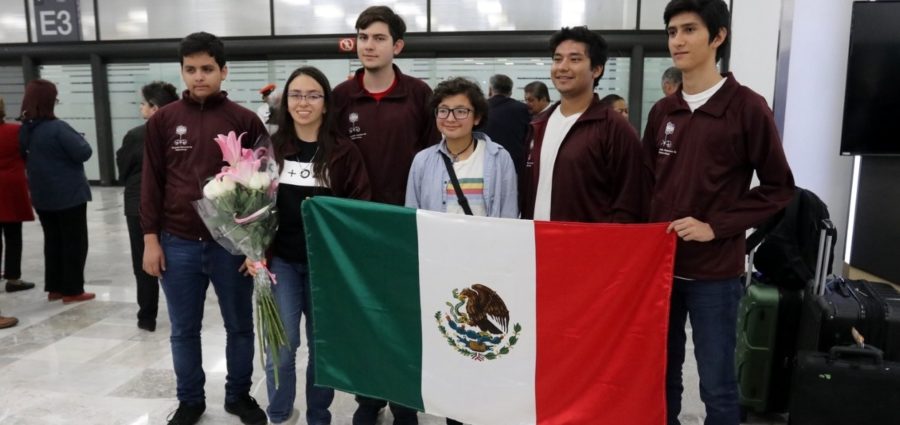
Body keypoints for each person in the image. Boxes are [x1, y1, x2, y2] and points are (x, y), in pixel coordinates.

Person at [643, 1, 795, 424]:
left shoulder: (747, 107)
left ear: (718, 37)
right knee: (661, 378)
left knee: (717, 385)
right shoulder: (663, 111)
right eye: (672, 31)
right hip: (661, 271)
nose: (677, 41)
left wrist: (717, 226)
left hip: (715, 275)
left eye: (689, 30)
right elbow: (646, 185)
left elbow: (779, 186)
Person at [141, 32, 269, 425]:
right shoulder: (164, 120)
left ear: (223, 71)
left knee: (240, 327)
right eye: (191, 69)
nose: (199, 77)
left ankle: (239, 396)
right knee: (183, 330)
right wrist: (150, 241)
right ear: (182, 71)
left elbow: (262, 184)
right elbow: (152, 182)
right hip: (176, 242)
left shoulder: (244, 119)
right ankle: (190, 400)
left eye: (207, 69)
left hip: (231, 245)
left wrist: (256, 246)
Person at [332, 6, 440, 424]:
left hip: (406, 227)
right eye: (362, 37)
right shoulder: (342, 97)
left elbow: (434, 159)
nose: (369, 45)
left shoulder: (418, 94)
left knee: (405, 317)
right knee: (364, 316)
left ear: (397, 45)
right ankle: (369, 397)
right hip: (354, 228)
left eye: (378, 38)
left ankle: (404, 399)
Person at [247, 66, 371, 425]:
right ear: (286, 101)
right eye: (296, 95)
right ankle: (280, 413)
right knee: (282, 350)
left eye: (313, 95)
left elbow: (359, 205)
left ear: (326, 103)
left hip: (326, 268)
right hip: (281, 262)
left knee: (322, 350)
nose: (304, 102)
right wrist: (253, 251)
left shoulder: (343, 152)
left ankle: (319, 416)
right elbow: (251, 203)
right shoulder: (271, 149)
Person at [522, 26, 645, 224]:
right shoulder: (539, 125)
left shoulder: (614, 128)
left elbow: (630, 202)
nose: (562, 67)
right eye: (557, 58)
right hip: (538, 246)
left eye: (575, 59)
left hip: (588, 249)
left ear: (596, 69)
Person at [18, 79, 94, 304]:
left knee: (52, 240)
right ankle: (73, 289)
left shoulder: (25, 130)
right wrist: (81, 138)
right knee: (74, 241)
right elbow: (84, 152)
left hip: (42, 195)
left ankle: (55, 287)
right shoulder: (58, 127)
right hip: (69, 194)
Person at [406, 77, 518, 218]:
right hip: (437, 240)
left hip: (486, 240)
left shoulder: (499, 158)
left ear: (477, 117)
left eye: (460, 111)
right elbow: (412, 214)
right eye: (443, 110)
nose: (450, 119)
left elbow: (509, 213)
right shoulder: (422, 161)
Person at [116, 81, 178, 332]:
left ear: (155, 108)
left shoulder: (137, 135)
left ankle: (147, 316)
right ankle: (178, 313)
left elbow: (124, 169)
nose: (141, 108)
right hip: (170, 204)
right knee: (174, 260)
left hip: (138, 204)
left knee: (143, 261)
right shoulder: (180, 132)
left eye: (144, 103)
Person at [0, 96, 36, 294]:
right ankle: (13, 279)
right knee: (13, 235)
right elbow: (25, 153)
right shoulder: (16, 131)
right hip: (11, 187)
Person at [482, 74, 531, 175]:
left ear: (490, 90)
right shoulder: (522, 109)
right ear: (511, 91)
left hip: (484, 163)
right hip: (515, 165)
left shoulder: (481, 108)